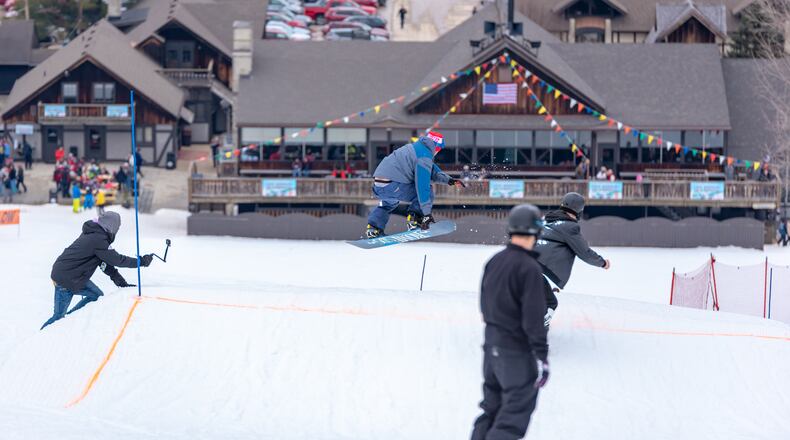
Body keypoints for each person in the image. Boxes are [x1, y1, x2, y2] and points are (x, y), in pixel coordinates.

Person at [471, 204, 549, 440]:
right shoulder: (529, 268)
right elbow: (533, 319)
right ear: (536, 232)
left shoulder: (495, 261)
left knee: (491, 409)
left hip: (491, 347)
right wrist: (542, 356)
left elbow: (484, 308)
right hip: (515, 351)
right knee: (514, 414)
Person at [41, 212, 154, 329]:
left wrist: (120, 282)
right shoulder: (98, 239)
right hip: (66, 278)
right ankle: (41, 338)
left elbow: (105, 263)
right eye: (117, 227)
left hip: (74, 275)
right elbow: (117, 260)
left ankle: (70, 319)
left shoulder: (96, 235)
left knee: (96, 296)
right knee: (58, 317)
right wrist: (141, 261)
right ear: (112, 225)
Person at [364, 132, 465, 238]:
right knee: (427, 191)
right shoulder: (424, 156)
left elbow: (432, 171)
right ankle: (415, 220)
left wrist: (450, 180)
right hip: (394, 184)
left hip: (379, 186)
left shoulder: (415, 148)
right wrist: (426, 213)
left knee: (387, 204)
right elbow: (422, 185)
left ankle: (374, 228)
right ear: (437, 148)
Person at [535, 192, 610, 326]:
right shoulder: (570, 227)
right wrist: (602, 263)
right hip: (535, 270)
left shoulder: (547, 222)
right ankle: (535, 336)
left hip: (523, 263)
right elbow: (585, 253)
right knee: (550, 303)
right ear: (579, 211)